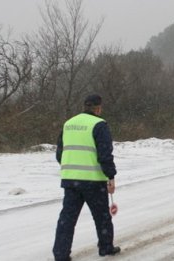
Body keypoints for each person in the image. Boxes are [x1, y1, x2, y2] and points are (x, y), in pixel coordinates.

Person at [53, 94, 120, 261]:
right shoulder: (99, 124)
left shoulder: (68, 124)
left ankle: (61, 254)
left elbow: (60, 153)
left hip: (70, 181)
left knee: (67, 219)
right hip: (93, 181)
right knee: (102, 216)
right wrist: (110, 176)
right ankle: (106, 247)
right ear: (98, 108)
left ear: (84, 106)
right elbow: (105, 154)